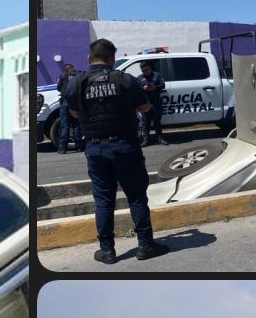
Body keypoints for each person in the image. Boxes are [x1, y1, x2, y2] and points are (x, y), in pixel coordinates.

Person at [67, 38, 170, 264]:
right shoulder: (125, 80)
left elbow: (73, 113)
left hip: (95, 147)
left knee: (103, 200)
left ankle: (107, 250)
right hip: (125, 146)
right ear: (112, 58)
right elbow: (145, 107)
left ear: (89, 58)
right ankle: (145, 245)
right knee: (136, 197)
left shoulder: (78, 82)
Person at [136, 60, 166, 146]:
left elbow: (163, 85)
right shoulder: (140, 78)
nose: (145, 72)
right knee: (145, 123)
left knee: (157, 122)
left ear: (150, 68)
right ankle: (146, 140)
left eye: (147, 70)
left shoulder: (157, 75)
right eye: (143, 71)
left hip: (156, 102)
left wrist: (154, 87)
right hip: (146, 104)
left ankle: (160, 139)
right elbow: (137, 88)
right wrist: (143, 88)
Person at [55, 63, 83, 154]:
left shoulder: (63, 75)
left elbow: (58, 88)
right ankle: (79, 147)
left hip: (65, 102)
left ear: (65, 70)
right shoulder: (79, 75)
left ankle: (62, 148)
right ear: (73, 68)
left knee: (65, 125)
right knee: (76, 125)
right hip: (75, 103)